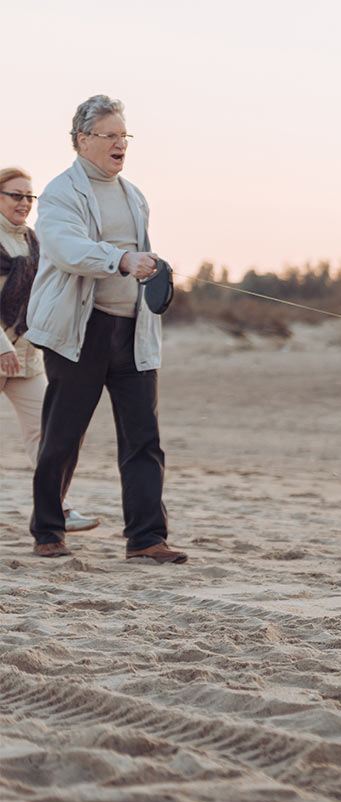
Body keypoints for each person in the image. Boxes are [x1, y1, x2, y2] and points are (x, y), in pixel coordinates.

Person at [25, 95, 185, 563]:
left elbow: (139, 257)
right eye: (110, 135)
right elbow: (66, 248)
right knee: (63, 435)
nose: (120, 144)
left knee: (143, 438)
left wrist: (151, 267)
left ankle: (146, 538)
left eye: (124, 136)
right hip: (79, 331)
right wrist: (120, 259)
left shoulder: (134, 195)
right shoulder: (60, 193)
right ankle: (48, 529)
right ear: (82, 141)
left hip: (134, 331)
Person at [0, 167, 99, 533]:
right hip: (2, 350)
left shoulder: (36, 241)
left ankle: (59, 509)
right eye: (15, 194)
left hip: (26, 355)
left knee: (46, 433)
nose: (24, 202)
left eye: (29, 196)